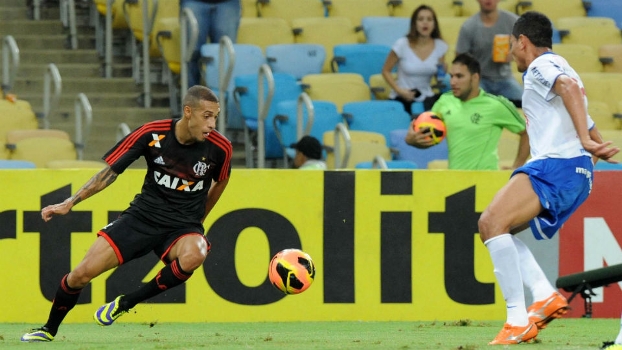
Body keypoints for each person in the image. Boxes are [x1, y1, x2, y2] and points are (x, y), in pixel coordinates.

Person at [20, 85, 233, 342]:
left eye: (216, 116)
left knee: (197, 252)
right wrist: (71, 202)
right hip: (141, 219)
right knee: (80, 275)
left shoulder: (221, 148)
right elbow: (110, 172)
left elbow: (221, 181)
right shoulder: (152, 133)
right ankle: (48, 329)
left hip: (182, 226)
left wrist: (199, 218)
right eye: (207, 115)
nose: (212, 124)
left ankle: (126, 303)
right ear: (188, 112)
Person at [478, 11, 619, 345]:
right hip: (575, 171)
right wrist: (592, 148)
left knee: (489, 223)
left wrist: (586, 144)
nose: (511, 52)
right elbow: (581, 111)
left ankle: (518, 318)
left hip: (556, 165)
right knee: (501, 230)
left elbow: (567, 89)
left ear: (523, 41)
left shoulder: (540, 67)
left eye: (512, 45)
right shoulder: (562, 64)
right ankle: (542, 295)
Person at [405, 53, 529, 170]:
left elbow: (527, 133)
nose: (453, 82)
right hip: (455, 181)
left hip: (485, 181)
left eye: (459, 76)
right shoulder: (445, 101)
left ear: (475, 78)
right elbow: (431, 137)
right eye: (451, 76)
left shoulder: (496, 105)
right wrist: (413, 141)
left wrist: (517, 167)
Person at [381, 4, 448, 115]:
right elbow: (385, 71)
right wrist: (399, 90)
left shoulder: (440, 46)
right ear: (414, 23)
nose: (425, 23)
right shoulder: (402, 44)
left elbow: (438, 80)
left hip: (426, 97)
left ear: (434, 24)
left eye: (429, 19)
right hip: (402, 96)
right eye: (421, 19)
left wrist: (442, 71)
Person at [455, 0, 523, 107]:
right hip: (480, 79)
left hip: (505, 79)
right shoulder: (469, 26)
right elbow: (459, 58)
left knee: (524, 103)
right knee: (474, 105)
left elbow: (527, 46)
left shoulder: (513, 21)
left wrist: (514, 55)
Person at [181, 0, 241, 87]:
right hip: (193, 1)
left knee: (226, 57)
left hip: (228, 3)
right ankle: (192, 98)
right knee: (192, 55)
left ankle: (224, 99)